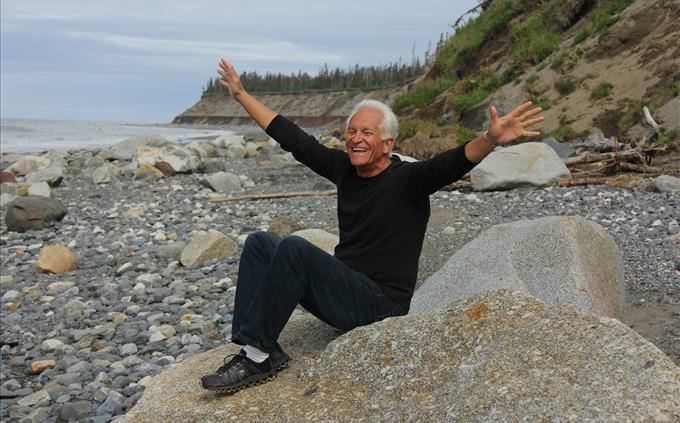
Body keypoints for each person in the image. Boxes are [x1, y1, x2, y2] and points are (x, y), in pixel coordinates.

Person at [201, 58, 544, 394]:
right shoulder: (345, 169)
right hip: (345, 292)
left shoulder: (410, 179)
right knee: (260, 242)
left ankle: (258, 358)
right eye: (352, 131)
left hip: (380, 306)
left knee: (294, 247)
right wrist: (242, 95)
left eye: (367, 132)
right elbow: (293, 138)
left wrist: (490, 137)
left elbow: (452, 162)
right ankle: (257, 347)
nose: (356, 138)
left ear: (388, 143)